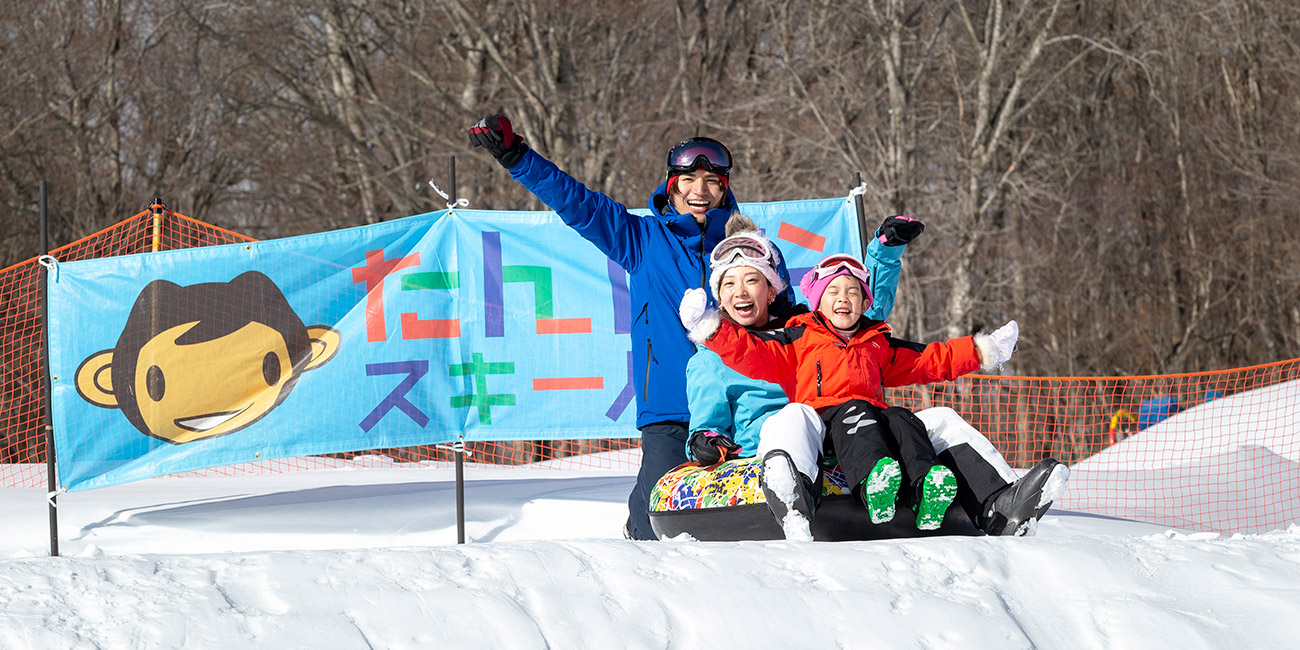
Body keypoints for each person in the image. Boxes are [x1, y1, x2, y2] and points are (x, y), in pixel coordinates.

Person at [468, 115, 795, 541]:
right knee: (658, 510)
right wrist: (517, 156)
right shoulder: (641, 239)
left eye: (712, 180)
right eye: (688, 180)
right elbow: (578, 204)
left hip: (743, 401)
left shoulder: (750, 248)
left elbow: (789, 318)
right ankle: (639, 567)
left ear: (724, 187)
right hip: (671, 405)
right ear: (671, 184)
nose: (700, 191)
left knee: (747, 512)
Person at [681, 251, 1023, 531]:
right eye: (833, 291)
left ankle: (1001, 502)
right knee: (796, 414)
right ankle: (795, 502)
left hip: (872, 423)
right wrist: (709, 329)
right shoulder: (797, 338)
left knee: (933, 417)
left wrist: (983, 350)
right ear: (817, 302)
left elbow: (931, 359)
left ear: (863, 303)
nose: (843, 299)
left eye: (852, 292)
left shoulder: (876, 343)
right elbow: (751, 352)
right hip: (821, 426)